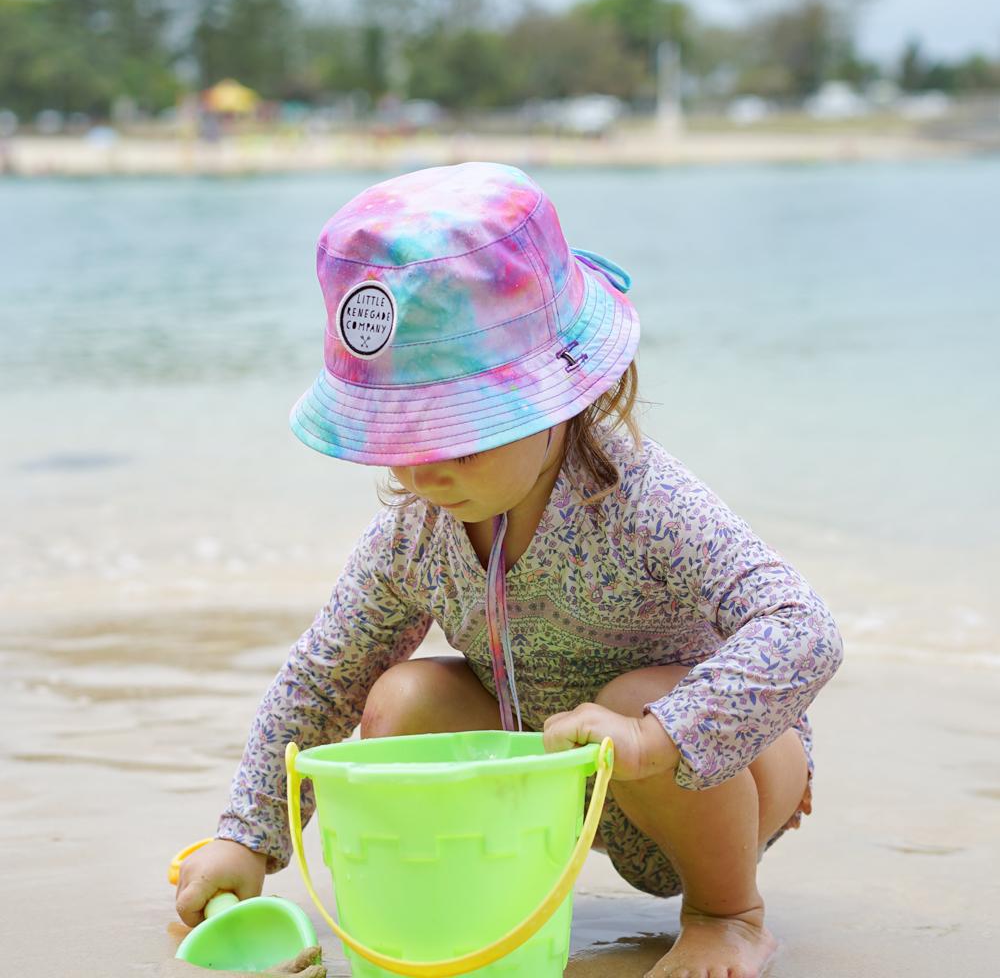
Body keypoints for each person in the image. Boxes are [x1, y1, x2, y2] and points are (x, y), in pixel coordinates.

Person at [174, 161, 843, 978]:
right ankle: (468, 910)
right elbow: (322, 680)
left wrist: (657, 735)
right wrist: (249, 837)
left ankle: (729, 912)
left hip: (708, 779)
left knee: (636, 696)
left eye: (455, 435)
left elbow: (803, 627)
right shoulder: (415, 536)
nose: (423, 473)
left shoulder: (641, 502)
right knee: (400, 697)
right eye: (398, 439)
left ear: (555, 398)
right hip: (546, 782)